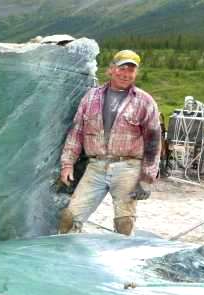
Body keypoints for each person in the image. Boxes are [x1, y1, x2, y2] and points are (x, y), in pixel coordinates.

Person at [58, 50, 161, 236]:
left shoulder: (145, 101)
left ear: (135, 73)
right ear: (111, 70)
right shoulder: (91, 97)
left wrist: (146, 179)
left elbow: (153, 144)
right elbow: (77, 132)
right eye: (122, 68)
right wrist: (67, 164)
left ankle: (121, 260)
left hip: (128, 167)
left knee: (124, 223)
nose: (126, 74)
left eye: (131, 70)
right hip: (96, 166)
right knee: (69, 217)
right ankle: (66, 258)